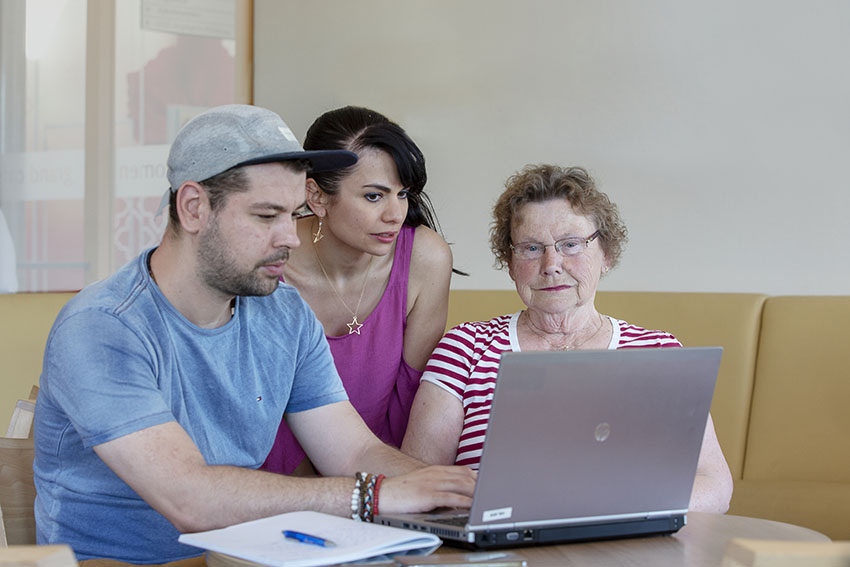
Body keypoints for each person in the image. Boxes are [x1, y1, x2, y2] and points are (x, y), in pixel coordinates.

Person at [32, 104, 475, 564]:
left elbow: (354, 450)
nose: (292, 237)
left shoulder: (285, 314)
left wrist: (452, 494)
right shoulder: (103, 326)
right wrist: (374, 497)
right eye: (267, 217)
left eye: (293, 214)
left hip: (244, 558)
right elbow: (190, 499)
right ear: (194, 208)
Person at [401, 164, 733, 514]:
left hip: (627, 548)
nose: (551, 264)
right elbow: (417, 480)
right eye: (530, 248)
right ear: (510, 263)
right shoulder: (464, 348)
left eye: (571, 244)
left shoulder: (660, 353)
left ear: (605, 254)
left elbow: (714, 485)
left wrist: (609, 511)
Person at [263, 106, 454, 476]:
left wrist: (411, 493)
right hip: (269, 488)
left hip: (378, 480)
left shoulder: (424, 258)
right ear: (316, 197)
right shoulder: (266, 262)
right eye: (373, 196)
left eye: (403, 194)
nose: (395, 215)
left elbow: (414, 401)